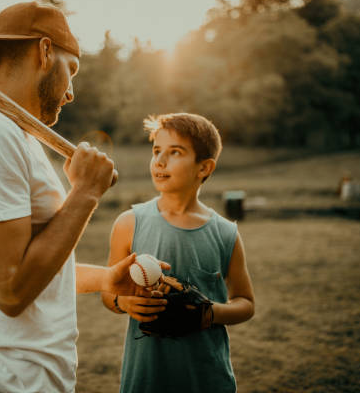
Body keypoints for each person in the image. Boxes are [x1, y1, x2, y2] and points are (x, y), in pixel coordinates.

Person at [0, 2, 167, 393]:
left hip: (26, 377)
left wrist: (107, 277)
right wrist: (85, 193)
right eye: (71, 69)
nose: (72, 92)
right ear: (45, 52)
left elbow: (34, 264)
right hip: (0, 377)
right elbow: (10, 291)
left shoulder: (15, 136)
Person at [101, 113, 255, 393]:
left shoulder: (226, 233)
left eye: (175, 152)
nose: (160, 161)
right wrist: (125, 304)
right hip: (146, 380)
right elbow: (107, 293)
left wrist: (209, 314)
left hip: (207, 380)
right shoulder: (128, 223)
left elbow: (245, 303)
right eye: (156, 151)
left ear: (204, 168)